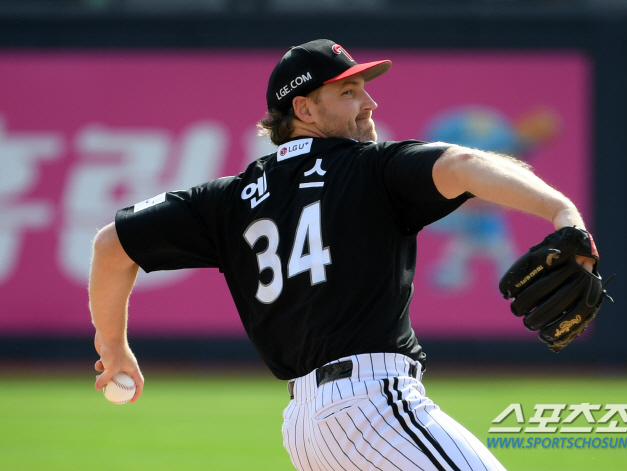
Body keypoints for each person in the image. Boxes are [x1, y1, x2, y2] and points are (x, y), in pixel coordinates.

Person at [89, 39, 595, 471]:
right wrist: (562, 212)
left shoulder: (228, 200)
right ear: (305, 110)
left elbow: (112, 244)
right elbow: (464, 163)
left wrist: (113, 348)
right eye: (349, 92)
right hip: (372, 406)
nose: (369, 102)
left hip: (307, 431)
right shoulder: (370, 169)